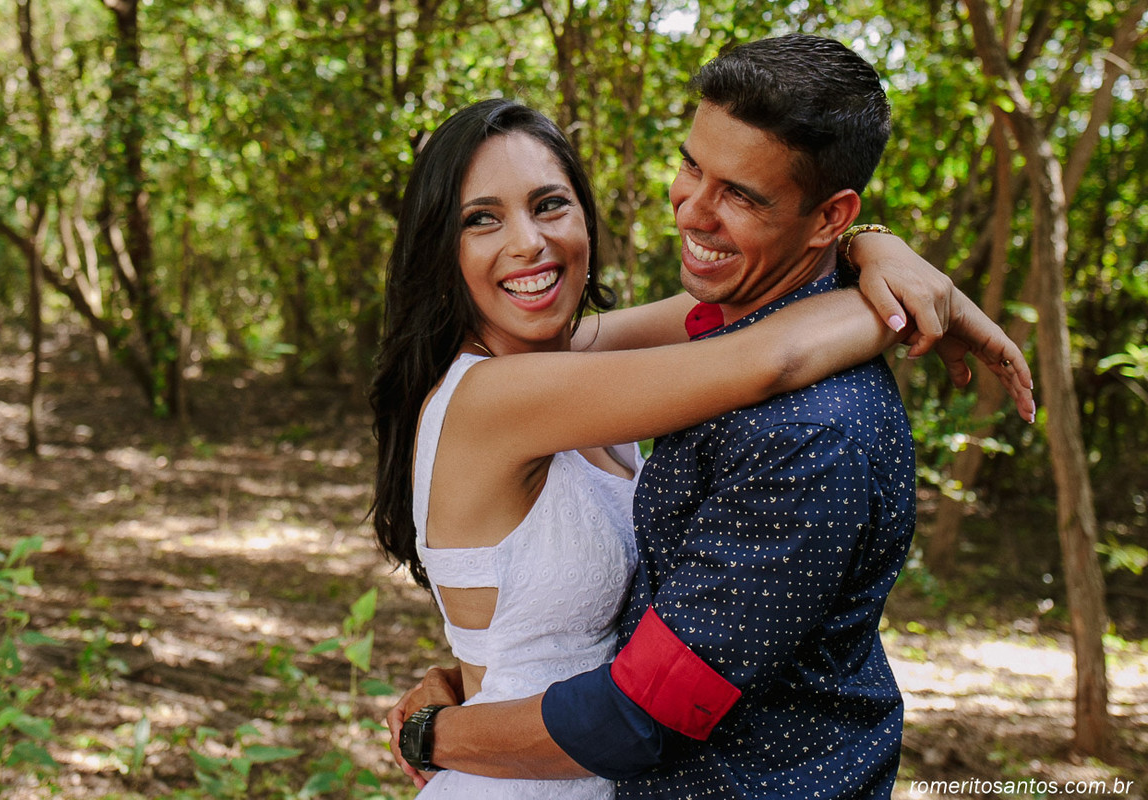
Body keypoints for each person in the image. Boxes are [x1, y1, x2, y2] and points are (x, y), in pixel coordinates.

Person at [374, 47, 1033, 799]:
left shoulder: (577, 358)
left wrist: (870, 246)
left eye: (550, 204)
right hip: (530, 777)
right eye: (481, 219)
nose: (529, 241)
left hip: (579, 763)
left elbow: (729, 319)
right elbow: (768, 355)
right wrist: (911, 297)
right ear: (440, 246)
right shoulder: (499, 395)